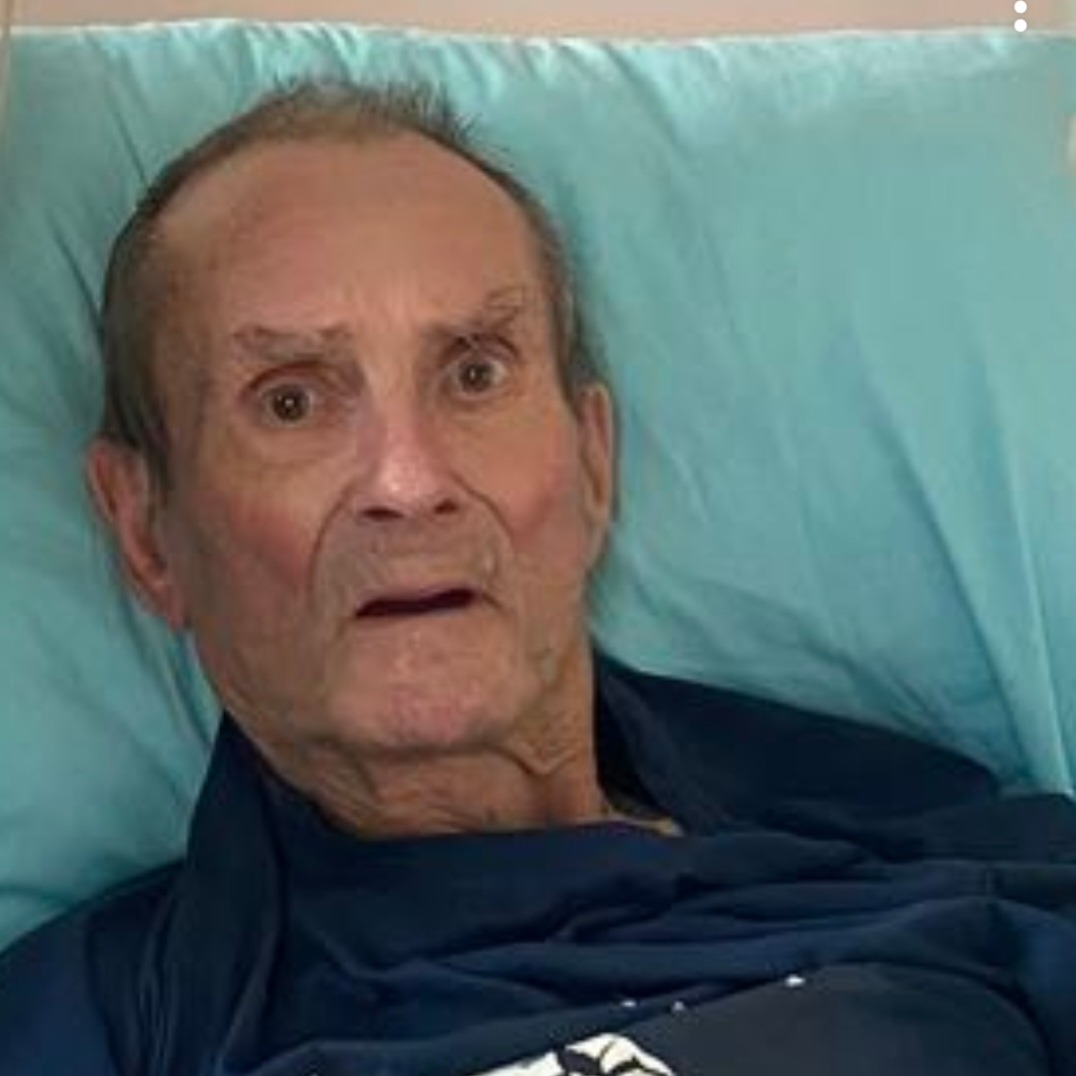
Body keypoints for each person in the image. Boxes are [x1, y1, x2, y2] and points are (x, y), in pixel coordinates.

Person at [2, 79, 1076, 1076]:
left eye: (474, 372)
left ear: (593, 464)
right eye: (292, 399)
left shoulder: (950, 867)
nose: (410, 482)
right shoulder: (99, 1027)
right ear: (146, 530)